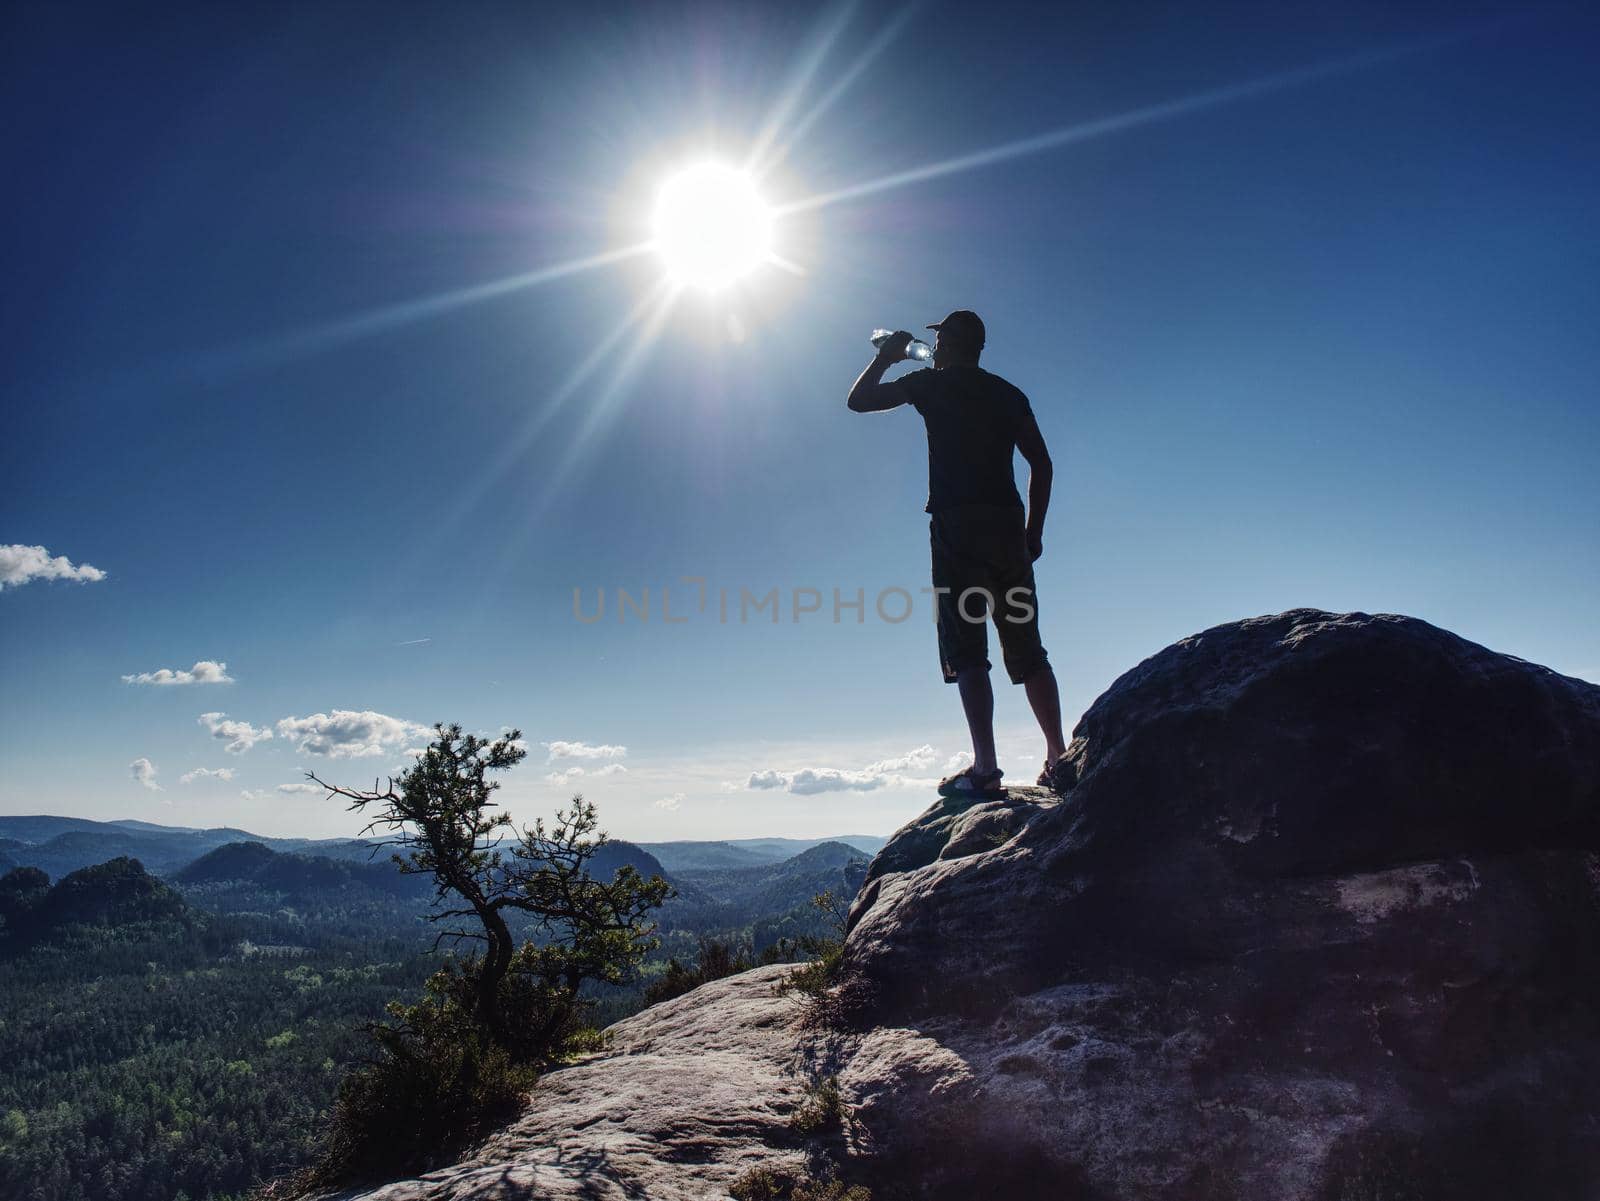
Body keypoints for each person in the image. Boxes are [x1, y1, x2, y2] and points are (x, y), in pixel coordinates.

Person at [847, 310, 1072, 796]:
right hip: (1007, 531)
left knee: (967, 649)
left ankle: (986, 769)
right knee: (1028, 647)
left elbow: (858, 401)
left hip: (957, 532)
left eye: (940, 339)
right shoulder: (1008, 393)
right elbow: (1042, 464)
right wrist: (1034, 532)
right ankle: (1059, 755)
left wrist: (886, 357)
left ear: (948, 344)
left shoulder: (932, 385)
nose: (937, 346)